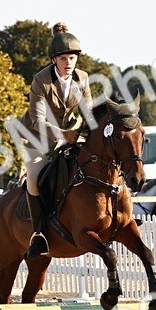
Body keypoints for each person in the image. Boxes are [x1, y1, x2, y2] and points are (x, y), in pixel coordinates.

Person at [15, 22, 93, 257]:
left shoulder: (83, 78)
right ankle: (38, 234)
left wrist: (82, 132)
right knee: (34, 178)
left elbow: (87, 113)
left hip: (70, 133)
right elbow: (36, 120)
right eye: (63, 59)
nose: (69, 63)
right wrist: (63, 135)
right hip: (37, 137)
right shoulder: (41, 81)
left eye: (72, 58)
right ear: (54, 60)